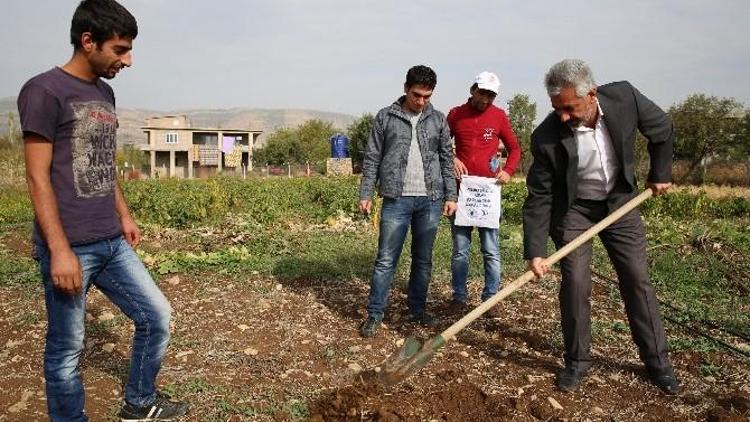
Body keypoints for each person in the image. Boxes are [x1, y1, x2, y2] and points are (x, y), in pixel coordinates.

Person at [18, 1, 189, 420]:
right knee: (67, 349)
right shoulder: (44, 91)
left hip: (111, 240)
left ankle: (139, 403)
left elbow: (103, 161)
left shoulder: (104, 92)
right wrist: (58, 250)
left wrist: (124, 213)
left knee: (157, 317)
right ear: (87, 40)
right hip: (71, 246)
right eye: (119, 50)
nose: (127, 60)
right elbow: (37, 177)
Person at [523, 58, 680, 394]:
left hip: (621, 204)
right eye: (556, 108)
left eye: (569, 107)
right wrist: (535, 252)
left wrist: (660, 173)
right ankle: (577, 363)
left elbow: (662, 128)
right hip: (575, 212)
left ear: (591, 94)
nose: (562, 116)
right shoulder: (547, 136)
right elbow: (540, 196)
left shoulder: (625, 97)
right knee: (576, 282)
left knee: (637, 278)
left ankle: (658, 363)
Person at [358, 65, 458, 338]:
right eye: (417, 95)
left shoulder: (438, 119)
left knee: (423, 260)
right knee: (386, 259)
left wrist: (452, 195)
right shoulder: (385, 117)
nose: (422, 101)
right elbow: (372, 158)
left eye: (427, 96)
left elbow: (447, 161)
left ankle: (417, 309)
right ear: (405, 88)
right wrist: (366, 193)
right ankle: (375, 313)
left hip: (430, 201)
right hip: (396, 199)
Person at [446, 71, 521, 317]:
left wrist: (509, 171)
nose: (486, 99)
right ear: (472, 89)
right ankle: (459, 296)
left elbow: (515, 148)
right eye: (482, 93)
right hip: (461, 193)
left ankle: (491, 298)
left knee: (491, 249)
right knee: (460, 250)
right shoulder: (456, 114)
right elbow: (441, 144)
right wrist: (453, 157)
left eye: (491, 95)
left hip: (488, 194)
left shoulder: (499, 116)